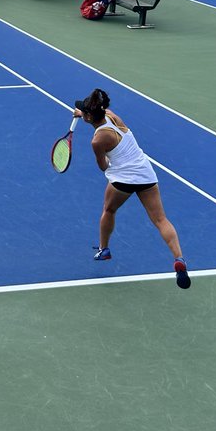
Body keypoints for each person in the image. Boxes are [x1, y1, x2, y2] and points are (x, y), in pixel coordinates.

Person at [74, 88, 190, 289]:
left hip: (123, 179)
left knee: (109, 210)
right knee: (161, 219)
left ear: (90, 115)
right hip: (145, 174)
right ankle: (179, 259)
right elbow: (99, 118)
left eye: (84, 111)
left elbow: (103, 166)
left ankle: (104, 249)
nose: (82, 112)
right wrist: (82, 114)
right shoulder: (111, 116)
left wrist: (110, 166)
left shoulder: (97, 140)